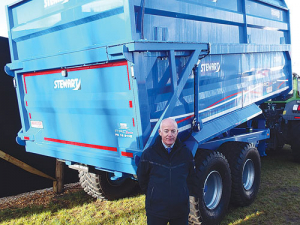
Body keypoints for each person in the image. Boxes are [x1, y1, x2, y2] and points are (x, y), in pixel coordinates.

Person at [137, 117, 196, 225]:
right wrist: (153, 194)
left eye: (173, 131)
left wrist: (182, 194)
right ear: (160, 132)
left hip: (180, 210)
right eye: (166, 131)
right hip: (156, 211)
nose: (170, 134)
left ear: (177, 132)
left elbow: (191, 178)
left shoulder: (186, 153)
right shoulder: (149, 154)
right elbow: (142, 179)